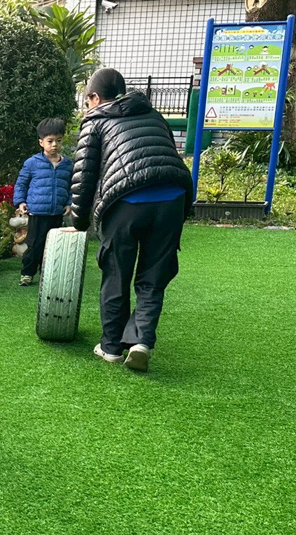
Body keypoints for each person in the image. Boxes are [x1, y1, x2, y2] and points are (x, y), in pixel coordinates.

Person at [71, 68, 193, 372]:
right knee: (154, 276)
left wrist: (78, 222)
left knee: (116, 272)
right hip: (173, 197)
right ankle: (141, 342)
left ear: (94, 98)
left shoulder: (95, 121)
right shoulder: (153, 114)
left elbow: (84, 178)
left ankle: (111, 347)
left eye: (87, 101)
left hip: (125, 200)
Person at [13, 117, 73, 287]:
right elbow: (21, 183)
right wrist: (20, 201)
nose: (54, 145)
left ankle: (48, 275)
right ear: (41, 142)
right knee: (35, 245)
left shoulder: (67, 164)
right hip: (37, 212)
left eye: (58, 141)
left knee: (54, 246)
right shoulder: (32, 163)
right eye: (50, 141)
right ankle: (27, 274)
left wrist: (69, 203)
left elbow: (71, 186)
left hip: (57, 213)